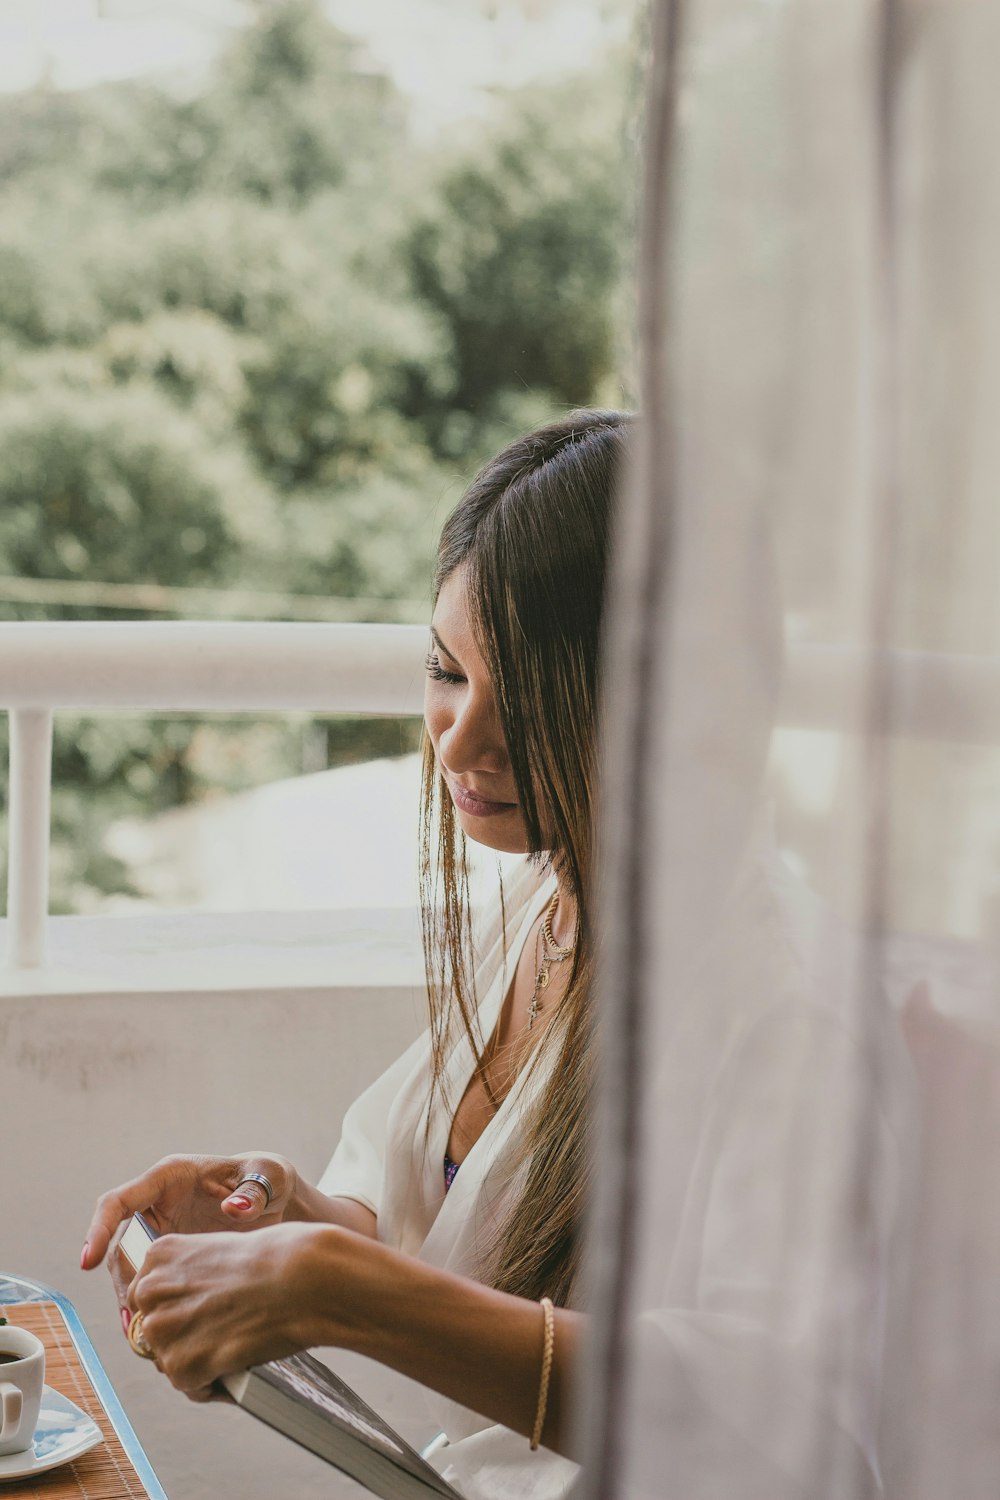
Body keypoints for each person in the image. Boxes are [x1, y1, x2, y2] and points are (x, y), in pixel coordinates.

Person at [81, 409, 634, 1500]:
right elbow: (440, 1232)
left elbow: (765, 1403)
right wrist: (285, 1215)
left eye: (524, 697)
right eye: (445, 671)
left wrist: (336, 1288)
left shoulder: (778, 1006)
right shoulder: (546, 902)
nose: (459, 740)